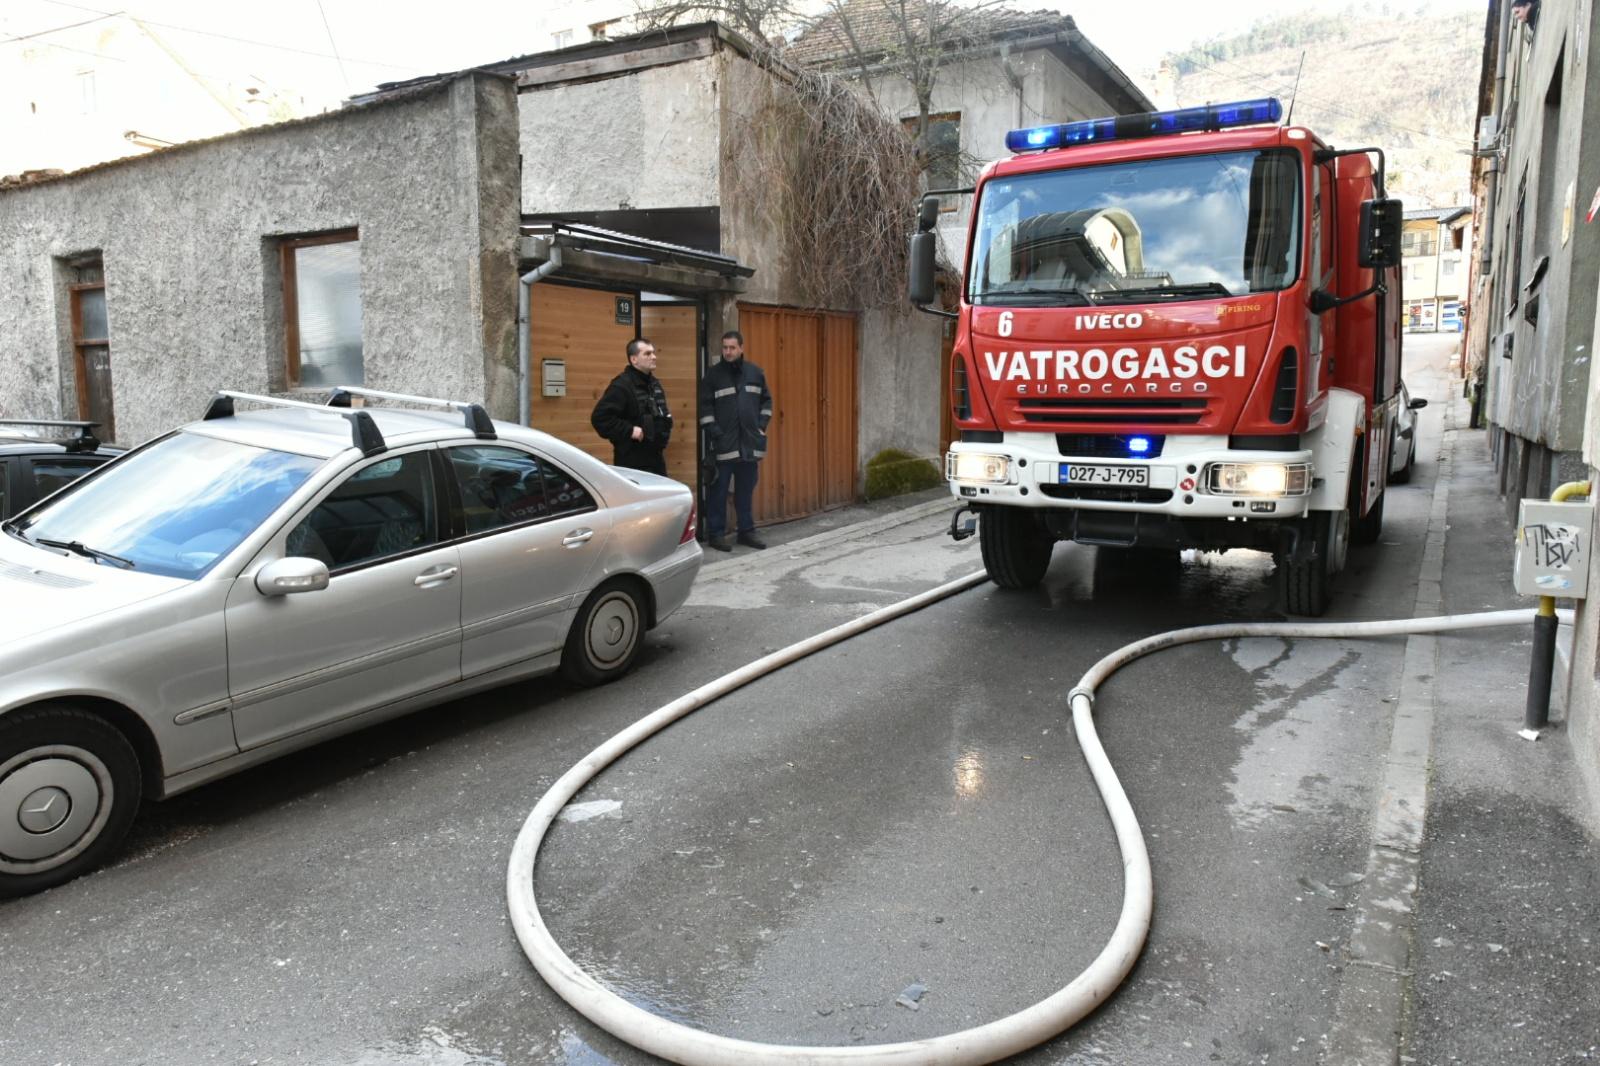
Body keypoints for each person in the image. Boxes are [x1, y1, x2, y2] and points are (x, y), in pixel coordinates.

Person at [698, 330, 772, 551]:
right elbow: (705, 408)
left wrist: (761, 425)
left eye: (732, 348)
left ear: (741, 348)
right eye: (725, 348)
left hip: (749, 445)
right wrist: (715, 432)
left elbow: (766, 402)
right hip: (724, 447)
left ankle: (746, 532)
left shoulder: (755, 373)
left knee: (745, 492)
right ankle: (716, 534)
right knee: (718, 492)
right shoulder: (713, 375)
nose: (728, 352)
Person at [591, 337, 672, 476]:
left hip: (656, 458)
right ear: (634, 359)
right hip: (632, 463)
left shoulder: (654, 384)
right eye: (647, 354)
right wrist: (629, 430)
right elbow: (600, 418)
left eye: (653, 352)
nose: (654, 357)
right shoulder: (622, 386)